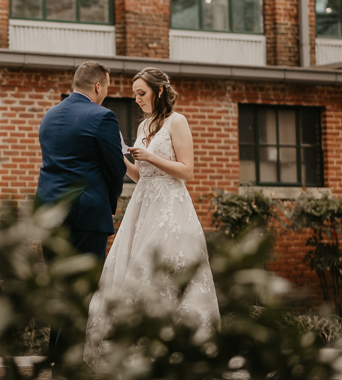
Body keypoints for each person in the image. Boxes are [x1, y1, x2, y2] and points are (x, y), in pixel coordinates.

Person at [85, 67, 220, 364]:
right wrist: (120, 157)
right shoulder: (144, 126)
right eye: (134, 95)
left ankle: (177, 345)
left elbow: (187, 170)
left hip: (170, 206)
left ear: (159, 91)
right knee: (135, 268)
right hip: (143, 204)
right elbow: (140, 175)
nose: (137, 100)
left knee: (165, 269)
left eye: (141, 93)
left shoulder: (177, 121)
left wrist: (151, 157)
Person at [35, 61, 127, 364]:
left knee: (60, 290)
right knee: (80, 294)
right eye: (107, 87)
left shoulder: (49, 115)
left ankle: (57, 360)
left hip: (48, 212)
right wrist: (107, 203)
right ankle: (66, 367)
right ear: (98, 86)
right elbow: (115, 171)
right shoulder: (103, 117)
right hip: (85, 213)